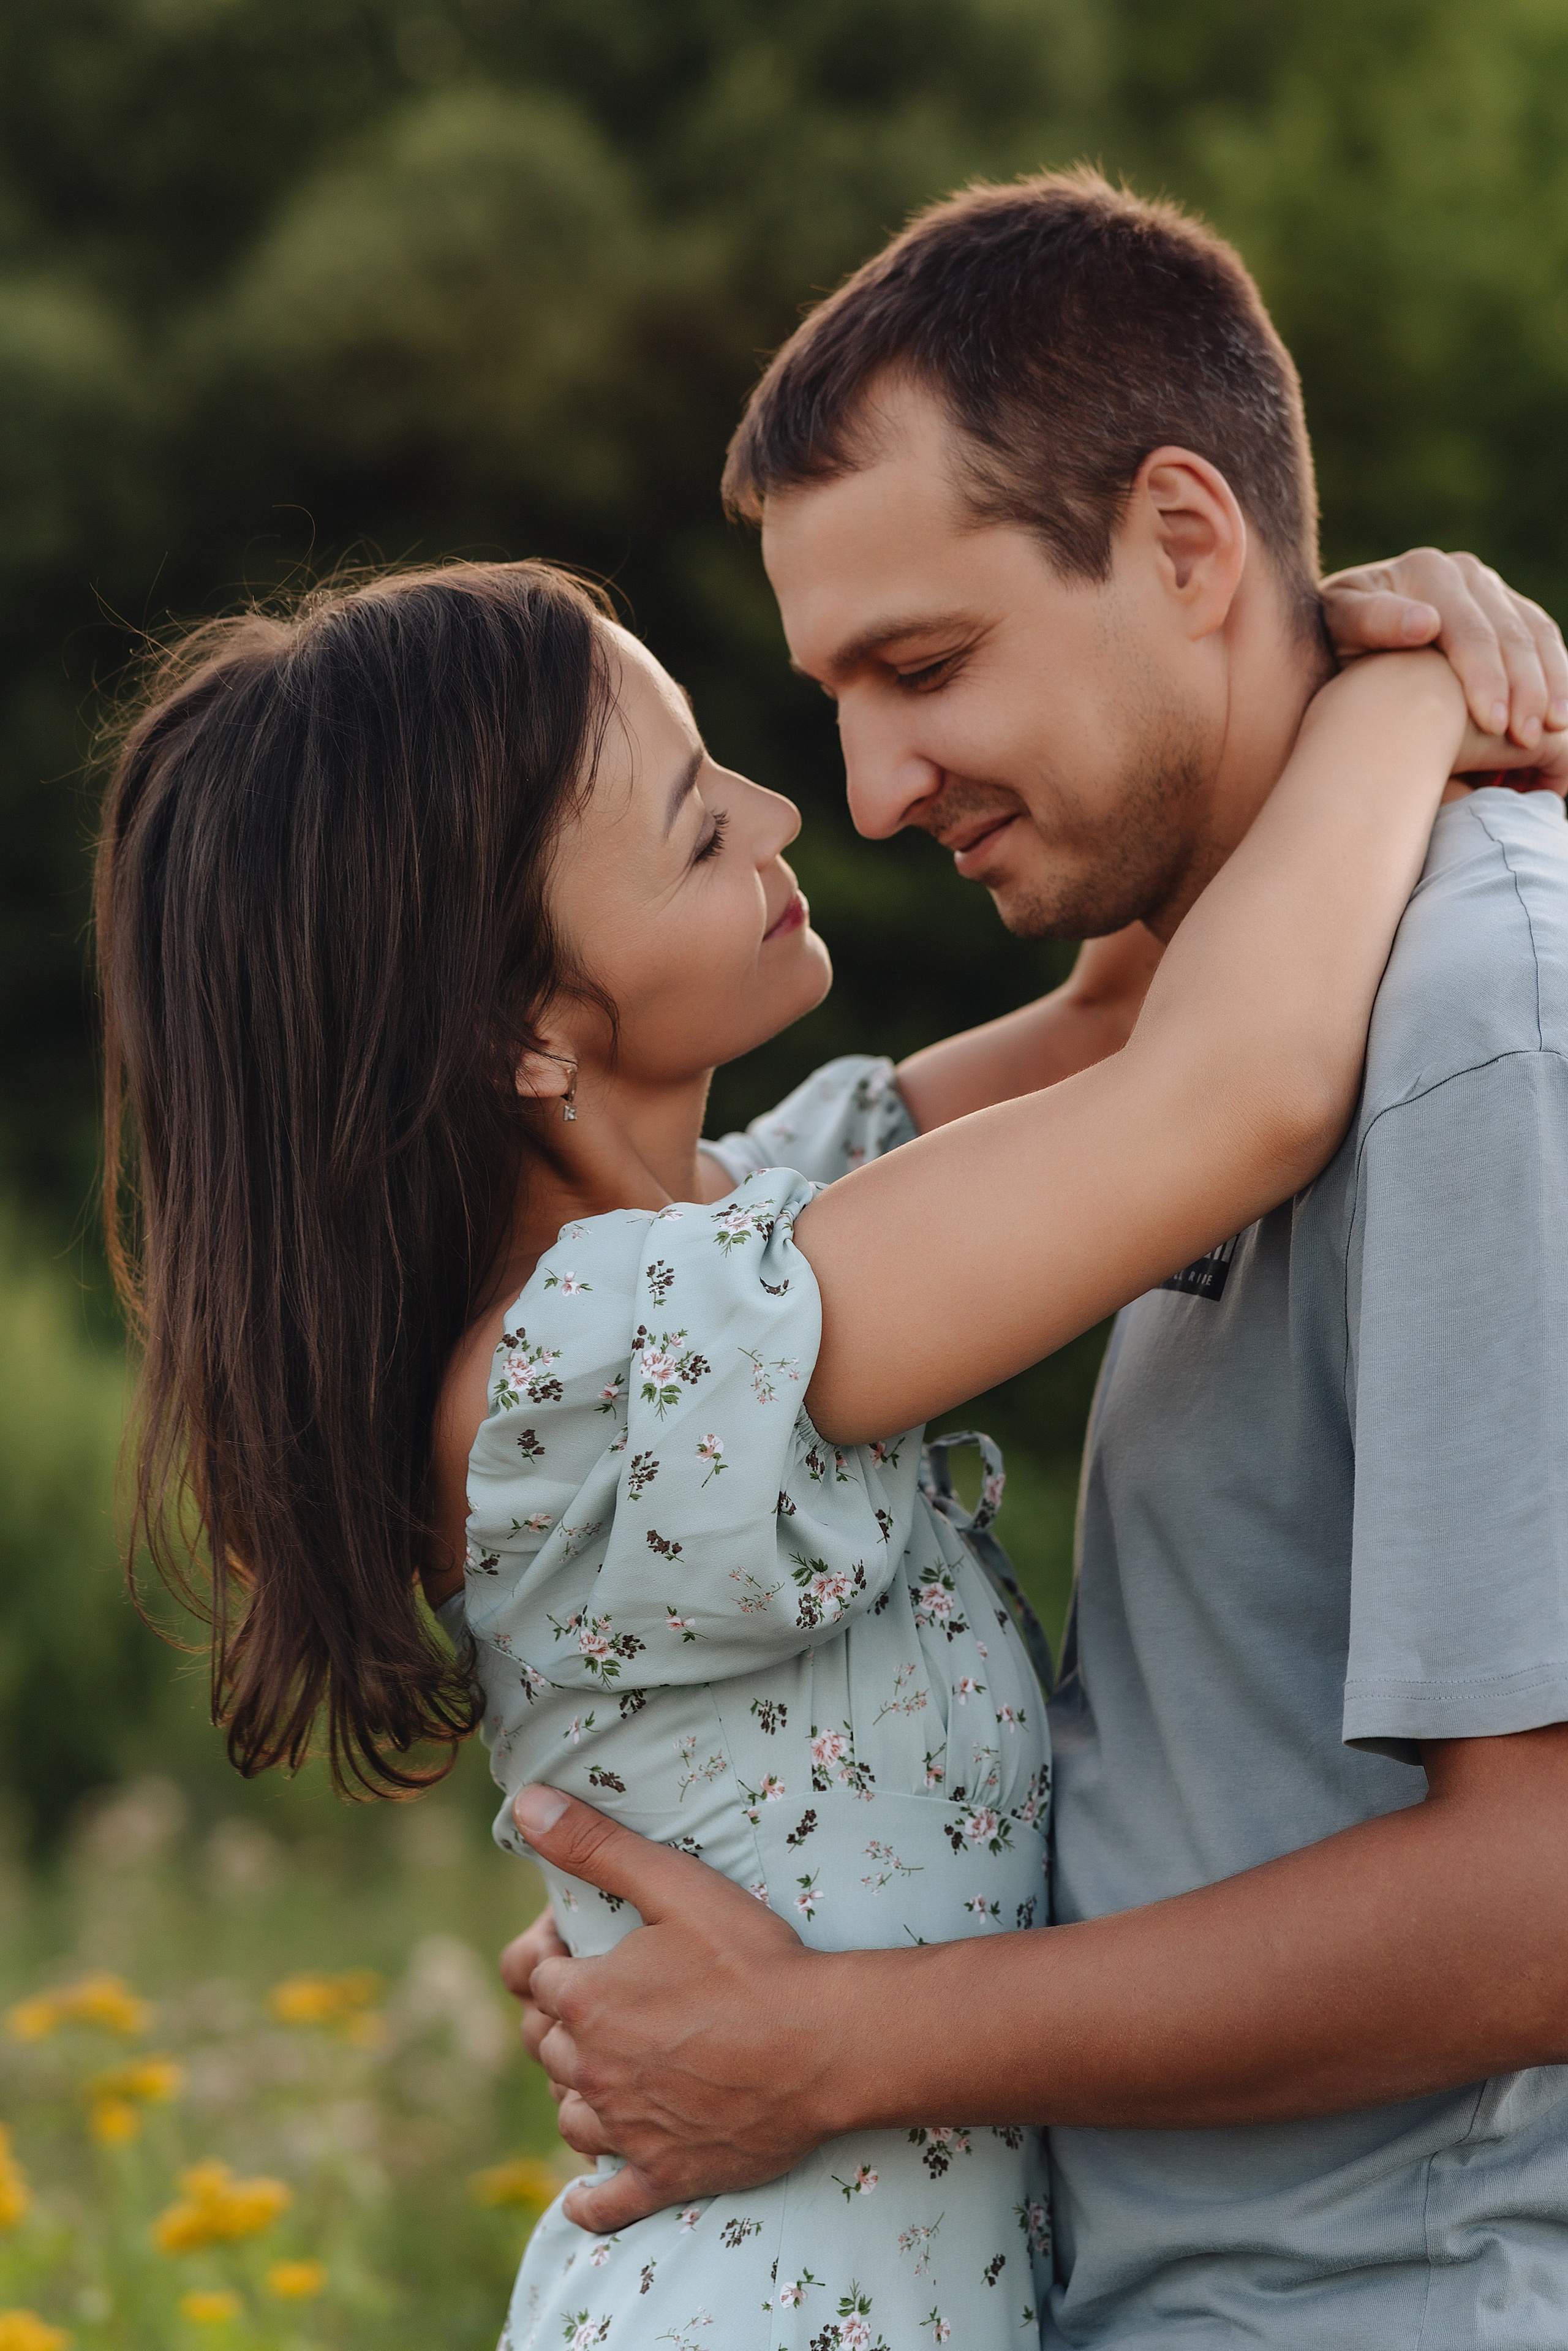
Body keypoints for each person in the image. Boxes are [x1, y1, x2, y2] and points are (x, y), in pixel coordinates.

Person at [97, 534, 1531, 2345]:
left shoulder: (757, 1219)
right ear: (527, 1028)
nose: (787, 813)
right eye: (699, 825)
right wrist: (1413, 689)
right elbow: (1226, 1085)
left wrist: (1304, 648)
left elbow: (1124, 1002)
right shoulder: (601, 1374)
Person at [496, 173, 1568, 2348]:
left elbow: (1543, 1896)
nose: (862, 792)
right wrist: (1388, 679)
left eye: (927, 665)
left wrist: (847, 2047)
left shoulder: (1479, 1017)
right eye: (823, 703)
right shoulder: (1139, 1060)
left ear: (1187, 544)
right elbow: (1194, 1066)